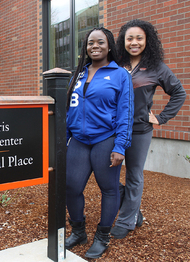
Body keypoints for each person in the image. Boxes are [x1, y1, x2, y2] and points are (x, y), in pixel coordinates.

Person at [110, 19, 186, 239]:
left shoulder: (156, 67)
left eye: (139, 38)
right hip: (113, 131)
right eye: (130, 38)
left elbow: (179, 92)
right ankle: (134, 211)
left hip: (139, 131)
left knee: (134, 175)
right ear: (123, 41)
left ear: (147, 41)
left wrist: (161, 118)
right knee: (107, 174)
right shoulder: (115, 65)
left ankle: (126, 221)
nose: (134, 42)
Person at [65, 27, 134, 259]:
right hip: (79, 140)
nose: (95, 46)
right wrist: (64, 139)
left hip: (106, 139)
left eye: (100, 42)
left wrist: (120, 146)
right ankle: (78, 232)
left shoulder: (120, 75)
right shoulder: (79, 74)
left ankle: (102, 237)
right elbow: (70, 108)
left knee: (109, 189)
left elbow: (126, 112)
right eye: (90, 43)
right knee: (71, 187)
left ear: (109, 45)